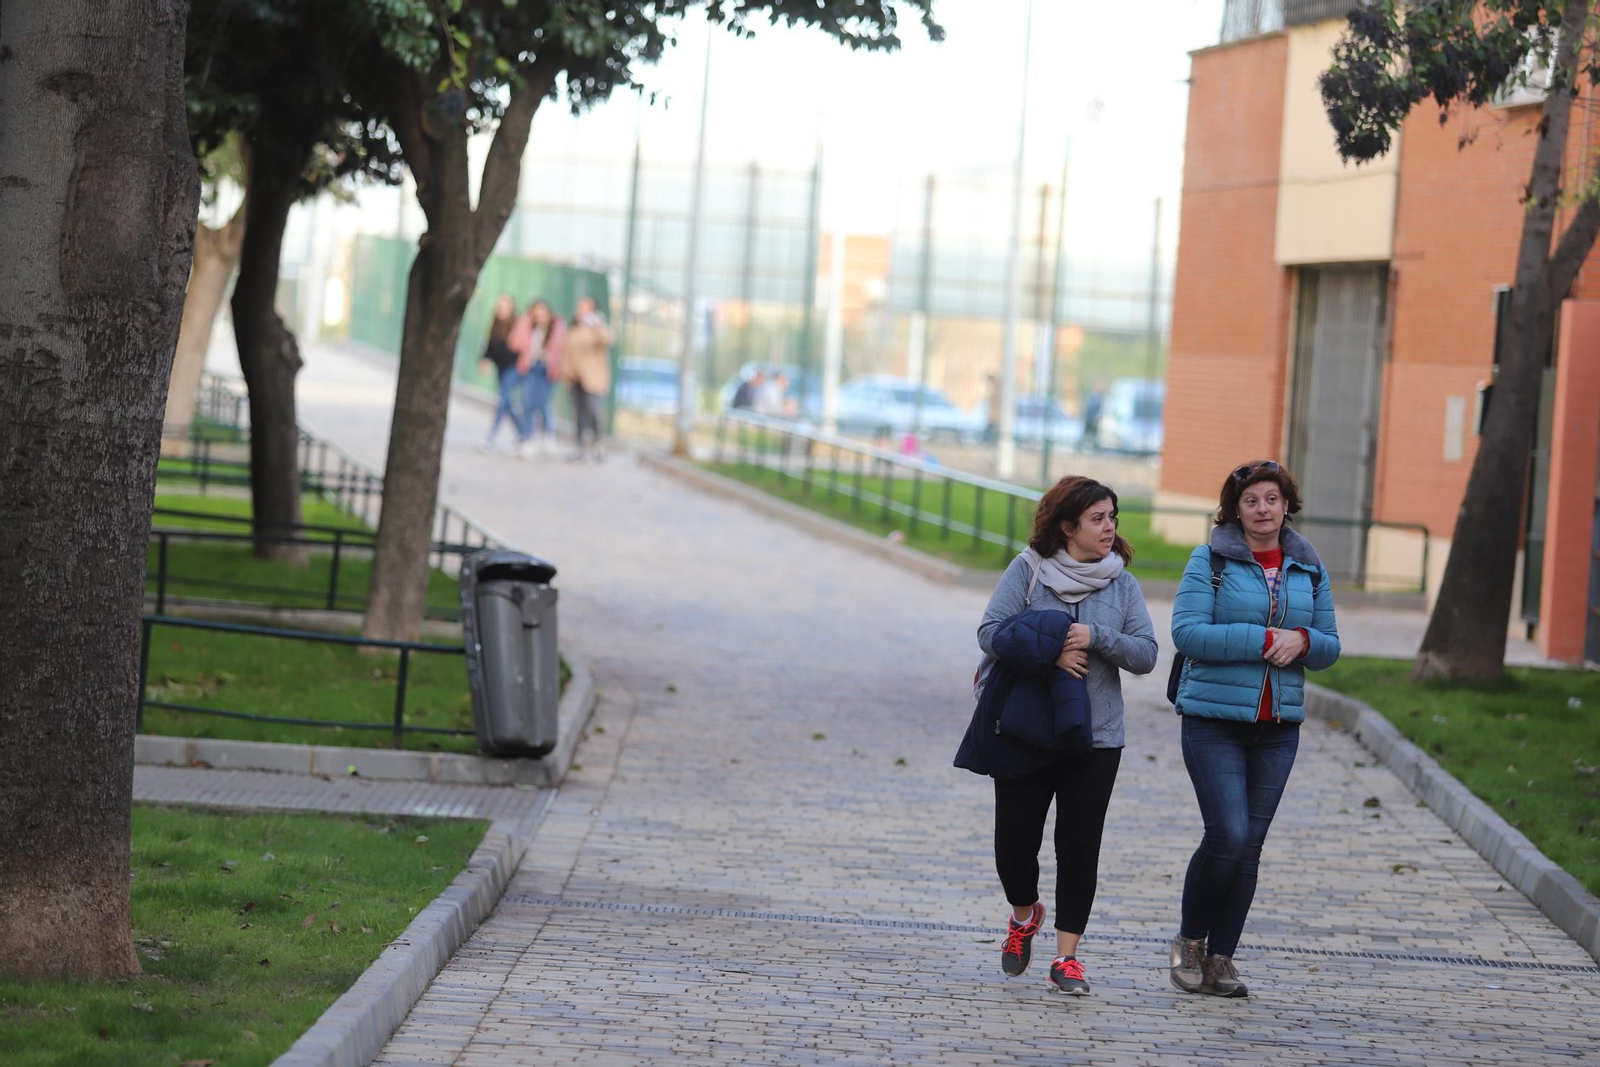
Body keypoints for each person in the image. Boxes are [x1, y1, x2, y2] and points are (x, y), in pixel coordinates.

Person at [956, 476, 1158, 996]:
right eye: (1097, 518)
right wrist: (1051, 650)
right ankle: (1024, 915)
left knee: (1079, 847)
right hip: (1026, 730)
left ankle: (1067, 958)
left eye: (1113, 517)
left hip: (1097, 737)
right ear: (1067, 526)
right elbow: (989, 633)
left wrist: (1097, 638)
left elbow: (1146, 654)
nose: (1109, 527)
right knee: (1014, 845)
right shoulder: (1028, 571)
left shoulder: (1123, 583)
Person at [1167, 460, 1340, 998]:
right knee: (1229, 834)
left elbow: (1330, 644)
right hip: (1213, 721)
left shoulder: (1308, 567)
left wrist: (1305, 642)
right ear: (1234, 510)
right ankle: (1189, 942)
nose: (1262, 509)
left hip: (1278, 727)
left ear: (1287, 504)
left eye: (1272, 498)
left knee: (1251, 847)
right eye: (1251, 501)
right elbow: (1187, 633)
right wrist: (1268, 639)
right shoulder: (1209, 560)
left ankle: (1222, 959)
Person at [510, 298, 565, 457]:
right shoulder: (528, 327)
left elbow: (561, 349)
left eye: (543, 313)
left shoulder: (557, 328)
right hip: (530, 367)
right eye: (536, 313)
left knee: (543, 404)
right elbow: (514, 343)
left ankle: (548, 435)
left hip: (547, 370)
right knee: (526, 403)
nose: (540, 316)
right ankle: (529, 439)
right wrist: (524, 321)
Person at [562, 295, 613, 461]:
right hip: (575, 377)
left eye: (586, 306)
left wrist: (596, 324)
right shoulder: (574, 328)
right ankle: (580, 447)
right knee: (579, 413)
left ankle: (598, 443)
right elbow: (566, 351)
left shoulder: (597, 327)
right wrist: (567, 372)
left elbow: (608, 339)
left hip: (593, 378)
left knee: (594, 410)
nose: (581, 309)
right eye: (581, 305)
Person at [477, 295, 527, 452]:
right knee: (507, 402)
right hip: (501, 367)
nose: (501, 309)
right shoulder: (496, 324)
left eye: (505, 306)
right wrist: (485, 359)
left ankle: (491, 436)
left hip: (513, 368)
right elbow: (490, 345)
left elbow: (524, 346)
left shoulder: (517, 324)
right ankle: (523, 434)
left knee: (502, 400)